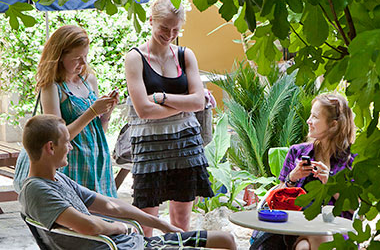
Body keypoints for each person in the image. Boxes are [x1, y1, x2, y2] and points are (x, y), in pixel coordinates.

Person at [19, 114, 236, 250]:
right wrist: (121, 228)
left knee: (226, 240)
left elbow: (111, 205)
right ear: (50, 147)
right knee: (223, 242)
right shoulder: (37, 190)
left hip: (134, 243)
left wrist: (161, 224)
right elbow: (89, 225)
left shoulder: (57, 179)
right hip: (119, 246)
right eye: (67, 142)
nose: (71, 147)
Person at [124, 0, 214, 236]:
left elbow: (197, 102)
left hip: (186, 144)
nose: (170, 33)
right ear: (151, 20)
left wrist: (162, 98)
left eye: (175, 29)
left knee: (182, 221)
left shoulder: (185, 56)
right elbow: (143, 110)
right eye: (164, 27)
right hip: (149, 147)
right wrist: (186, 103)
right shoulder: (135, 58)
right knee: (146, 221)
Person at [251, 93, 357, 250]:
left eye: (314, 117)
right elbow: (277, 201)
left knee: (305, 247)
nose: (308, 121)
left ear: (333, 125)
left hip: (336, 229)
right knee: (314, 238)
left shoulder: (351, 160)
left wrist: (331, 183)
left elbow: (356, 208)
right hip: (296, 227)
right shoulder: (297, 152)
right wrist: (292, 178)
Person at [35, 25, 118, 197]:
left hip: (97, 159)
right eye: (77, 58)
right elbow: (57, 137)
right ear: (59, 56)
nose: (83, 63)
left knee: (105, 215)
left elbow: (98, 131)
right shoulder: (52, 87)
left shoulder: (89, 80)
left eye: (86, 56)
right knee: (80, 216)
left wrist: (107, 112)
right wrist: (92, 111)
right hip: (72, 163)